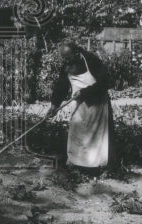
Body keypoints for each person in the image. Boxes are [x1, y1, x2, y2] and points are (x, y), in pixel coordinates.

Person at [47, 41, 115, 175]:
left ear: (76, 53)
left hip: (97, 103)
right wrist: (54, 104)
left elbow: (106, 81)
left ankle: (98, 167)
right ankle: (77, 165)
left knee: (97, 136)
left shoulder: (91, 60)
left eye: (68, 57)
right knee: (77, 133)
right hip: (79, 105)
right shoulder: (67, 65)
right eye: (64, 59)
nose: (66, 61)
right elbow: (61, 86)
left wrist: (85, 92)